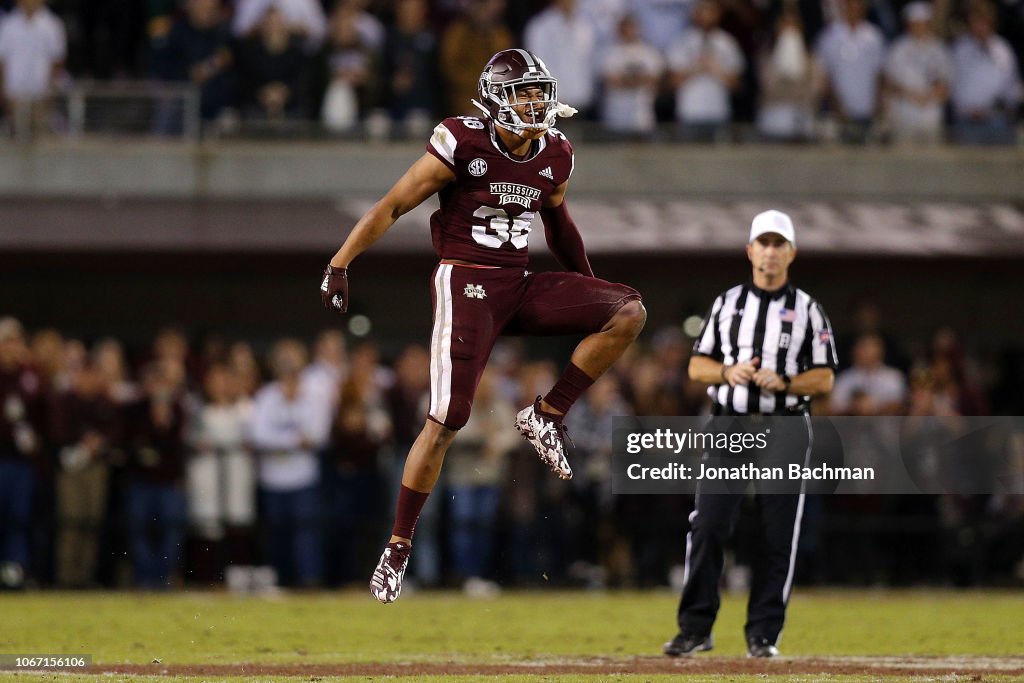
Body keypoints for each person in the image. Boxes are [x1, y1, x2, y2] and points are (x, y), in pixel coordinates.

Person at [319, 48, 646, 603]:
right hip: (466, 283)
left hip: (517, 283)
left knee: (628, 309)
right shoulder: (460, 141)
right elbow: (394, 205)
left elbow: (559, 227)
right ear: (496, 97)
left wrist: (587, 288)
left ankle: (546, 415)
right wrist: (340, 261)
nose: (537, 101)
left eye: (540, 91)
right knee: (449, 419)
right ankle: (398, 548)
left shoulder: (556, 153)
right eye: (524, 92)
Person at [663, 210, 836, 658]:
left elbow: (824, 378)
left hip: (785, 424)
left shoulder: (808, 310)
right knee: (708, 525)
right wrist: (728, 371)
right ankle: (696, 627)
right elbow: (697, 365)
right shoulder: (727, 304)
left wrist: (786, 382)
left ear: (791, 253)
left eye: (780, 244)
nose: (772, 252)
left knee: (777, 533)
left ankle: (763, 634)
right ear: (750, 250)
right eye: (765, 243)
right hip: (730, 421)